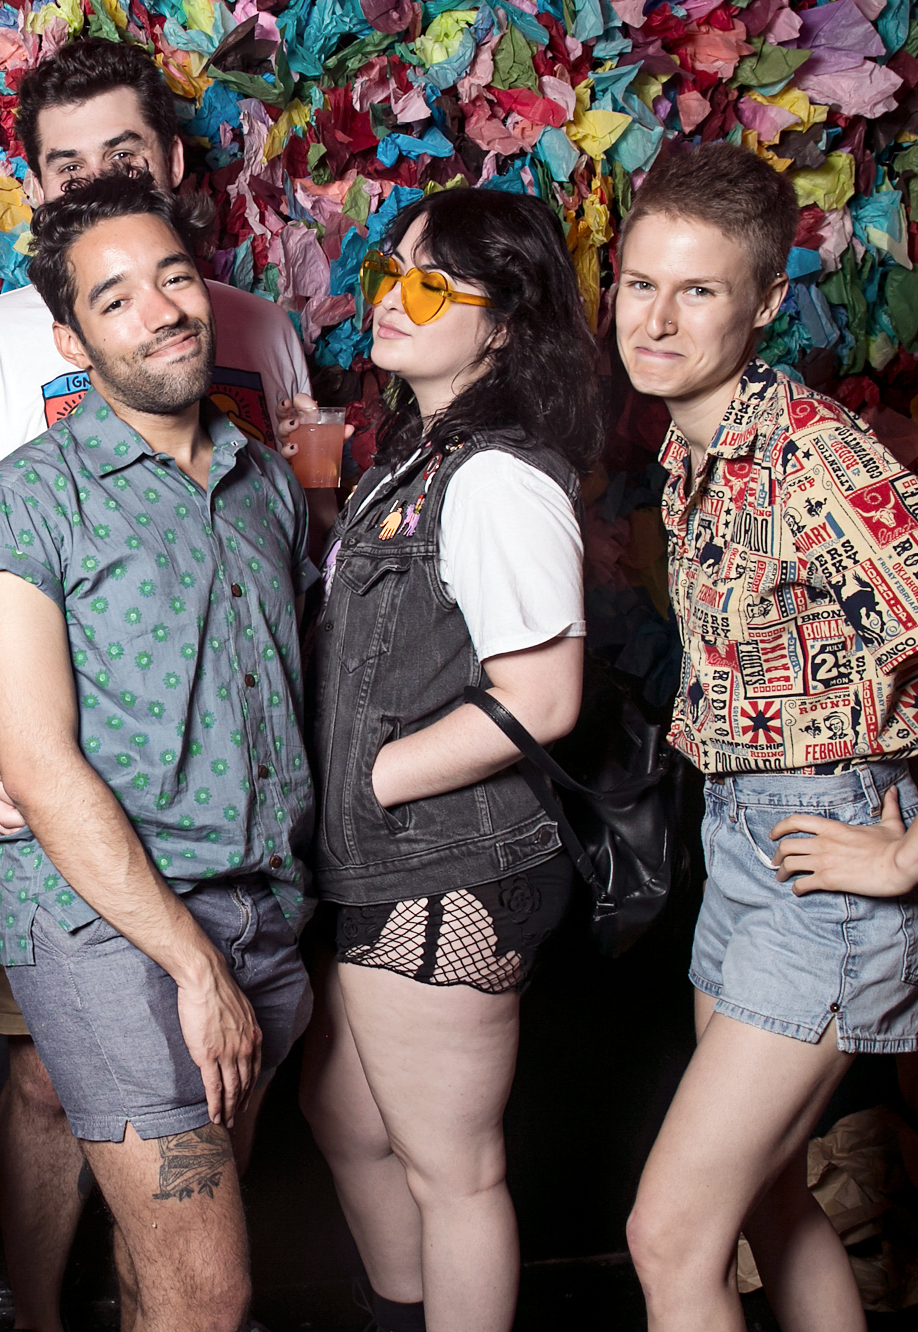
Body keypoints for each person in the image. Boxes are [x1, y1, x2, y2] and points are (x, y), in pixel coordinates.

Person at [613, 142, 918, 1331]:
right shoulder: (691, 446)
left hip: (826, 865)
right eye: (637, 284)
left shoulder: (810, 454)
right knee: (766, 1201)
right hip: (744, 840)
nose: (654, 321)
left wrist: (909, 852)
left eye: (696, 291)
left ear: (765, 302)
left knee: (669, 1237)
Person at [0, 37, 311, 1332]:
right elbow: (34, 758)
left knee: (168, 1273)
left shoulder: (261, 480)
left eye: (174, 279)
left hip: (259, 900)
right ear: (70, 331)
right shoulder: (31, 496)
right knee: (210, 1288)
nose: (161, 312)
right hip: (107, 919)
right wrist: (190, 963)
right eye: (117, 296)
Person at [290, 188, 603, 1332]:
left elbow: (544, 697)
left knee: (453, 1173)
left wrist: (373, 779)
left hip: (448, 865)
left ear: (504, 324)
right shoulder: (419, 461)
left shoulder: (495, 478)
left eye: (433, 284)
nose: (393, 297)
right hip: (389, 862)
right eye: (393, 270)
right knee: (346, 1117)